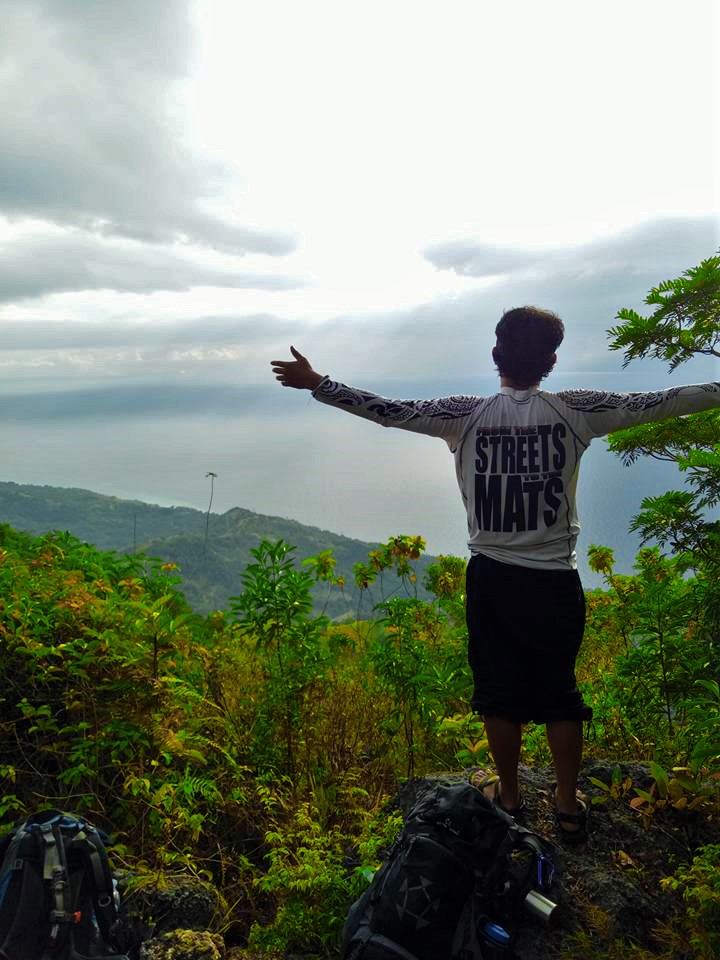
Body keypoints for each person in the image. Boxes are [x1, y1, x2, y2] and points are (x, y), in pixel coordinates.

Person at [270, 306, 720, 842]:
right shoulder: (577, 410)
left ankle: (508, 794)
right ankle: (567, 803)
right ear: (552, 360)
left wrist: (318, 383)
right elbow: (663, 402)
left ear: (495, 355)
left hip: (492, 578)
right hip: (555, 580)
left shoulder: (464, 414)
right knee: (560, 690)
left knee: (497, 691)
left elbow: (389, 410)